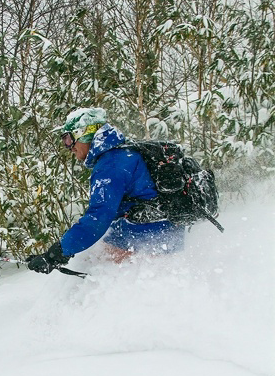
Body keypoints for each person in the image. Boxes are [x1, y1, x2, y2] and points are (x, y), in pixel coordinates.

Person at [26, 107, 185, 274]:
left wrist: (56, 254)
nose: (69, 147)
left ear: (84, 133)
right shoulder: (122, 154)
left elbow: (98, 217)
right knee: (95, 261)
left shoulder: (111, 165)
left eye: (68, 139)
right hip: (161, 234)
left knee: (96, 266)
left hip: (148, 237)